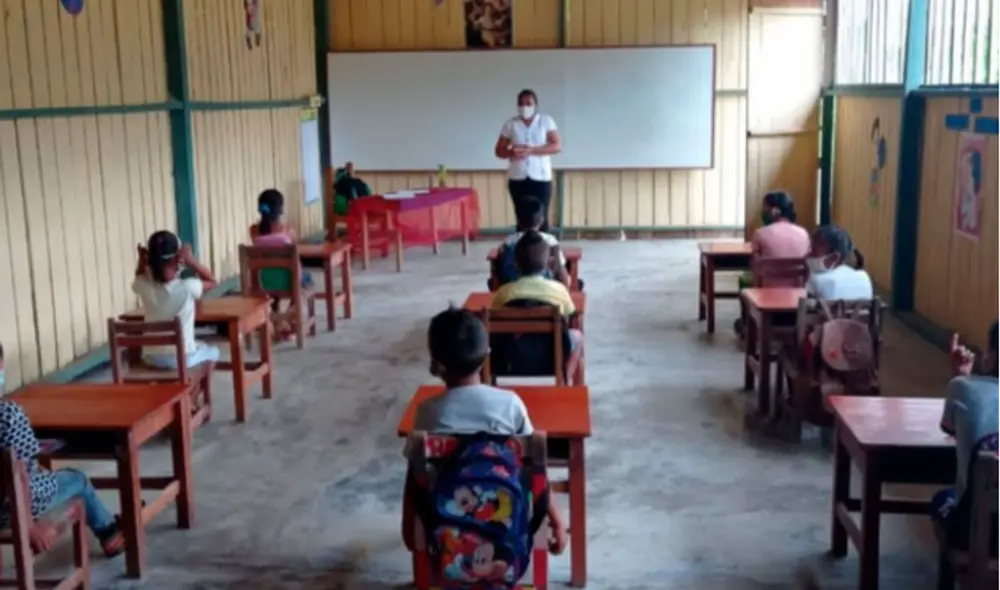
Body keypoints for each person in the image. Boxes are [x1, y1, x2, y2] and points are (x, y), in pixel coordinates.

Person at [402, 308, 568, 556]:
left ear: (435, 363)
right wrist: (557, 520)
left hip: (446, 527)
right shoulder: (510, 404)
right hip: (510, 524)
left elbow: (415, 475)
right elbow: (537, 467)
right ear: (486, 356)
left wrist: (409, 526)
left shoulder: (428, 412)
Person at [0, 400, 125, 557]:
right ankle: (109, 533)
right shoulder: (7, 414)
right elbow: (19, 474)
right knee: (77, 479)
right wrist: (29, 527)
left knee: (41, 472)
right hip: (10, 510)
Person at [931, 322, 999, 551]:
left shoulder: (962, 389)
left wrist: (961, 378)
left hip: (974, 530)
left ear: (990, 359)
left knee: (941, 499)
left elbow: (951, 430)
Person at [133, 231, 221, 369]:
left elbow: (139, 276)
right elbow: (212, 281)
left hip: (150, 358)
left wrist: (141, 261)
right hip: (180, 360)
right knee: (214, 351)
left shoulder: (144, 285)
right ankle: (198, 388)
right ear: (177, 259)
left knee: (198, 346)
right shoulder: (188, 286)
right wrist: (192, 261)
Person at [494, 89, 561, 233]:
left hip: (541, 177)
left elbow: (556, 146)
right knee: (521, 219)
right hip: (518, 177)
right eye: (521, 104)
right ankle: (523, 252)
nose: (525, 107)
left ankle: (543, 252)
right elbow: (499, 150)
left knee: (541, 218)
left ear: (535, 105)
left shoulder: (545, 121)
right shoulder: (511, 124)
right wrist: (511, 152)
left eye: (528, 103)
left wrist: (531, 151)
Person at [496, 197, 571, 288]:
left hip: (513, 290)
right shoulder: (551, 241)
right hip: (547, 290)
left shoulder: (508, 242)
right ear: (542, 220)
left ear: (518, 221)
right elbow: (561, 274)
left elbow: (501, 272)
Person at [805, 224, 873, 300]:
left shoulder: (815, 280)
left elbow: (805, 309)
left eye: (814, 251)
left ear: (834, 258)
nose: (808, 254)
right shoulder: (864, 277)